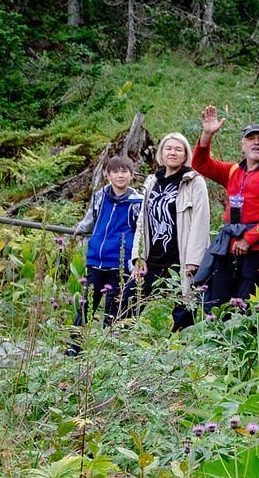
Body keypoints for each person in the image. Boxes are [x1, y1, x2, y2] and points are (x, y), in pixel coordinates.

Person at [192, 108, 259, 311]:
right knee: (218, 303)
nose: (256, 142)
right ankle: (219, 339)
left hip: (257, 249)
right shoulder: (232, 171)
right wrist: (207, 135)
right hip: (227, 247)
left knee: (246, 305)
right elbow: (200, 164)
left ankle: (244, 342)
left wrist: (249, 239)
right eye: (251, 138)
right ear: (243, 145)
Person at [131, 132, 210, 330]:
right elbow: (142, 220)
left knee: (184, 310)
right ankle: (116, 346)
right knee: (129, 300)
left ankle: (178, 353)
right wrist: (138, 255)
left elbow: (201, 221)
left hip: (181, 259)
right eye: (168, 148)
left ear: (185, 155)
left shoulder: (193, 182)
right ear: (161, 153)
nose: (172, 153)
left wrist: (194, 260)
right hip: (153, 258)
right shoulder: (152, 182)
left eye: (178, 149)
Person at [72, 155, 143, 332]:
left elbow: (141, 231)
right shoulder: (100, 197)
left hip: (120, 263)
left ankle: (109, 349)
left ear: (132, 175)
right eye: (116, 172)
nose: (120, 176)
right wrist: (79, 228)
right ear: (107, 175)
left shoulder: (137, 202)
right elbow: (90, 219)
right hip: (96, 259)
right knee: (87, 305)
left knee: (114, 308)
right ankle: (74, 346)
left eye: (124, 172)